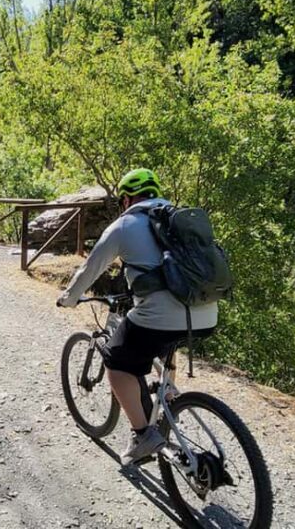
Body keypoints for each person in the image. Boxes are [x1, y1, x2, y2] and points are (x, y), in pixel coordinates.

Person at [57, 168, 218, 465]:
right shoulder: (179, 220)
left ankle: (143, 435)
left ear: (127, 199)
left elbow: (90, 268)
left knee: (117, 362)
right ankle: (169, 396)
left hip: (162, 316)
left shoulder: (124, 225)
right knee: (163, 340)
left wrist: (68, 298)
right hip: (206, 312)